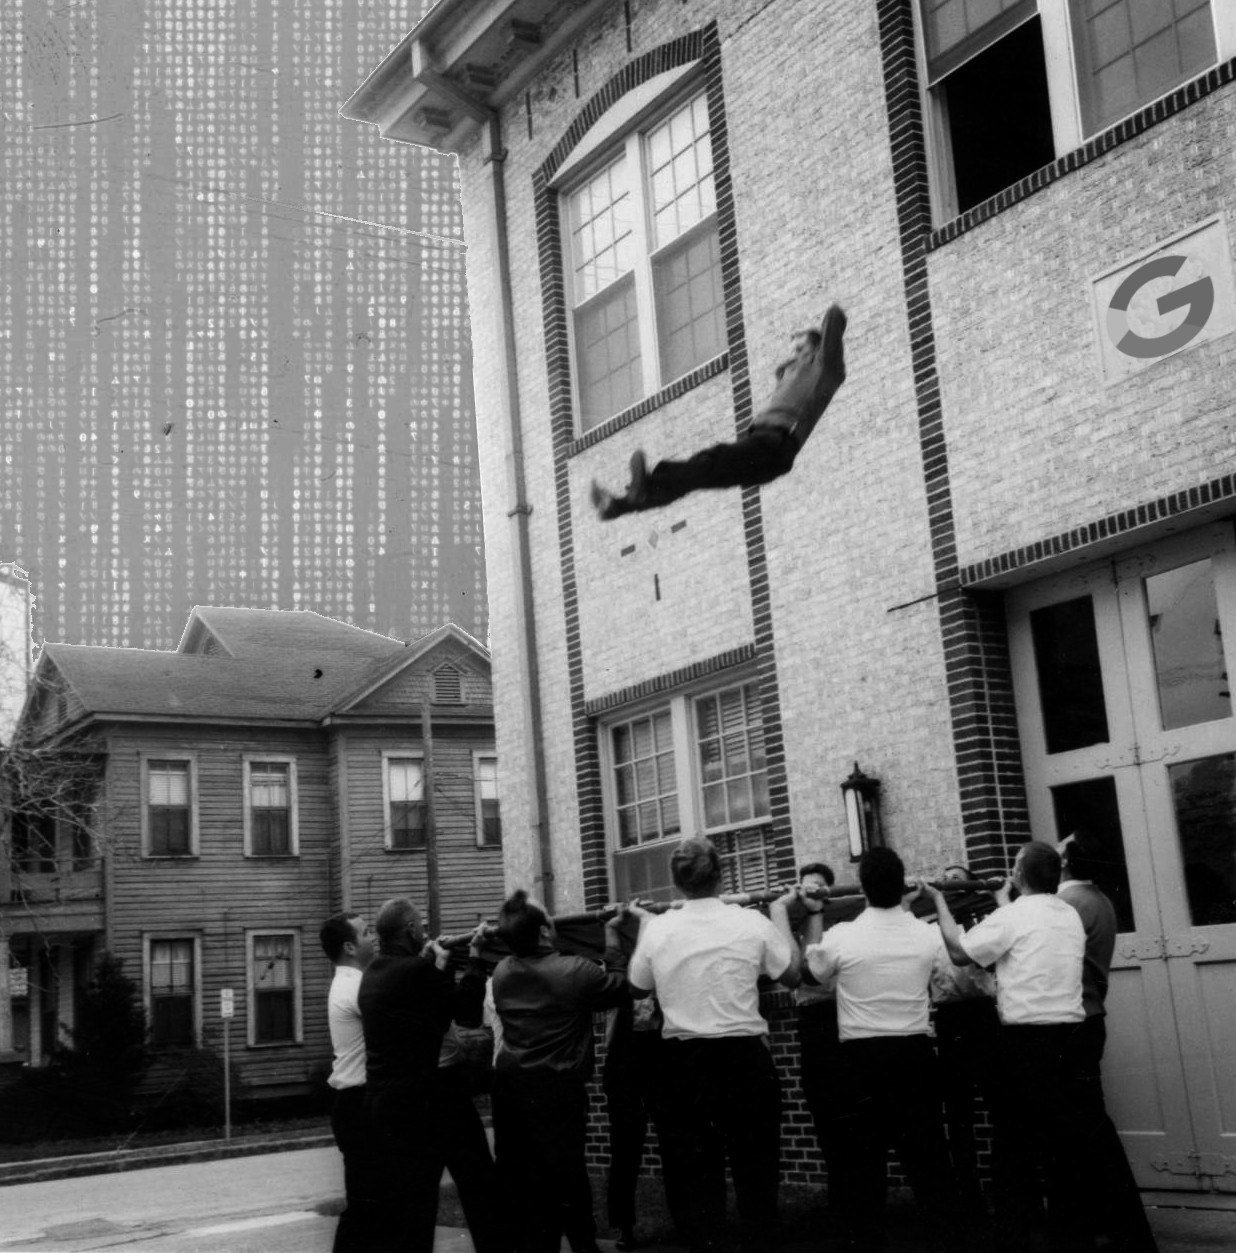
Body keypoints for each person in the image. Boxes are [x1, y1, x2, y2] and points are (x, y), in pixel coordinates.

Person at [926, 841, 1156, 1253]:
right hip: (1073, 1034)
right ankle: (1096, 1236)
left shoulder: (1014, 915)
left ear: (1018, 874)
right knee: (1077, 1138)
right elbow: (1024, 924)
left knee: (1014, 1142)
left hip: (1029, 1040)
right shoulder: (1067, 911)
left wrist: (940, 901)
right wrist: (1003, 899)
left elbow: (961, 954)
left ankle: (1014, 1238)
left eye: (1014, 866)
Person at [628, 837, 801, 1253]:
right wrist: (779, 913)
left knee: (697, 1178)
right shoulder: (751, 922)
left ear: (675, 882)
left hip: (685, 1065)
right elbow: (793, 974)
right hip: (743, 1060)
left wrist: (645, 928)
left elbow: (637, 986)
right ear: (721, 875)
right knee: (756, 1172)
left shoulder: (659, 928)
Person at [805, 847, 963, 1253]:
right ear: (902, 884)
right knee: (929, 1165)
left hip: (859, 1063)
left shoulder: (842, 936)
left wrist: (816, 914)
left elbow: (813, 973)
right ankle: (947, 1240)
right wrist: (908, 908)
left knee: (861, 1170)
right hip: (914, 1057)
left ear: (861, 887)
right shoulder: (924, 934)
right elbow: (946, 949)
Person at [590, 304, 847, 520]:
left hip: (776, 447)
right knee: (697, 474)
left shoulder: (825, 371)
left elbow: (835, 316)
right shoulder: (791, 373)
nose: (795, 354)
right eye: (793, 350)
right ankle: (620, 505)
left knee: (709, 462)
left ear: (817, 348)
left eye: (801, 348)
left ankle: (641, 491)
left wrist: (825, 333)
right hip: (762, 448)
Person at [490, 889, 637, 1253]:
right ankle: (584, 1247)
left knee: (528, 1181)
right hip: (555, 1092)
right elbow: (621, 986)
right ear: (542, 932)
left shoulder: (502, 972)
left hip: (510, 1092)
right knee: (567, 1176)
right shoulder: (573, 971)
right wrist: (613, 933)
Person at [358, 898, 506, 1253]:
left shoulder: (374, 974)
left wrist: (435, 966)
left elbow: (432, 1017)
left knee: (414, 1201)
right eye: (420, 925)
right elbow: (467, 1014)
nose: (424, 930)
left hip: (386, 1104)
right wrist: (475, 959)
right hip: (432, 1097)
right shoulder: (414, 972)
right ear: (411, 930)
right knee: (478, 1183)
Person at [1058, 834, 1159, 1252]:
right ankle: (1100, 1221)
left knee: (1084, 1128)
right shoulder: (1097, 899)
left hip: (1074, 1018)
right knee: (1086, 1124)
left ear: (1064, 861)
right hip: (1091, 1015)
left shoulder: (1067, 905)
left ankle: (1112, 1226)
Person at [928, 864, 1000, 1216]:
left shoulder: (983, 923)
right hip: (950, 1020)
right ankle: (968, 1194)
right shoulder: (930, 928)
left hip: (983, 1016)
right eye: (947, 877)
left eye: (958, 877)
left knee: (1000, 1105)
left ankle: (1004, 1192)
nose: (951, 882)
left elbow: (987, 964)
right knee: (958, 1113)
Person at [783, 861, 849, 1213]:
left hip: (838, 1017)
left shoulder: (840, 928)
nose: (812, 891)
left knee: (846, 1113)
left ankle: (850, 1198)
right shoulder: (795, 929)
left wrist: (815, 913)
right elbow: (794, 974)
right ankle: (839, 1199)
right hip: (810, 1022)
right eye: (807, 885)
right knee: (822, 1109)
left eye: (819, 885)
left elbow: (816, 974)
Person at [319, 911, 379, 1253]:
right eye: (367, 932)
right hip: (359, 1104)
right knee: (366, 1206)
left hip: (353, 1104)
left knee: (369, 1204)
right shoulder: (356, 987)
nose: (374, 937)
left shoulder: (351, 981)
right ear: (350, 947)